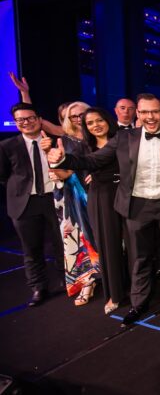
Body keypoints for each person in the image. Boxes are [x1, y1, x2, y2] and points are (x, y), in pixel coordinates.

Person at [47, 93, 160, 326]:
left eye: (155, 111)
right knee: (139, 257)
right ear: (138, 114)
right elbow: (94, 160)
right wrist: (62, 160)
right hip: (137, 206)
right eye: (145, 112)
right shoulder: (124, 137)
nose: (151, 117)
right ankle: (139, 304)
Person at [0, 103, 64, 306]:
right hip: (25, 203)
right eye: (20, 120)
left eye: (30, 118)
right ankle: (38, 287)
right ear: (16, 123)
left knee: (62, 244)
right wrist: (21, 190)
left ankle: (67, 280)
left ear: (39, 119)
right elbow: (3, 176)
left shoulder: (55, 141)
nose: (26, 122)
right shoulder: (7, 145)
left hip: (54, 198)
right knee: (31, 248)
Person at [51, 101, 100, 306]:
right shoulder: (63, 141)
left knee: (103, 238)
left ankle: (109, 278)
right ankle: (88, 282)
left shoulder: (100, 136)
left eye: (83, 114)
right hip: (74, 197)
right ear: (67, 120)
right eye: (74, 116)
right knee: (80, 240)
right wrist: (56, 168)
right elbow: (60, 171)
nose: (79, 119)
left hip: (101, 194)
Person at [79, 107, 127, 314]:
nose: (95, 125)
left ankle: (136, 289)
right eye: (90, 123)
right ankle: (114, 294)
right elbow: (74, 169)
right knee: (109, 247)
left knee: (134, 246)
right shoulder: (84, 147)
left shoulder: (123, 139)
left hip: (127, 194)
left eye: (99, 120)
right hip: (101, 198)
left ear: (108, 120)